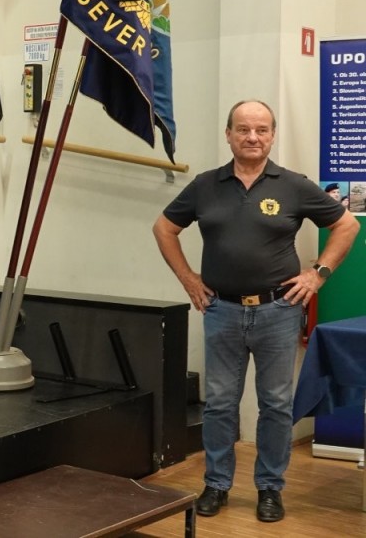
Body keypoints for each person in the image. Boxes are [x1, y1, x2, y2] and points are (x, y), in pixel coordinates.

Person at [152, 100, 359, 523]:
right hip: (221, 311)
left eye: (262, 130)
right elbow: (164, 228)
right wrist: (189, 279)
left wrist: (317, 274)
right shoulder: (206, 185)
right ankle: (216, 484)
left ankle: (269, 488)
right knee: (219, 405)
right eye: (244, 129)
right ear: (228, 134)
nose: (252, 137)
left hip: (278, 311)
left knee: (277, 405)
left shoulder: (294, 185)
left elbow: (347, 224)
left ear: (272, 135)